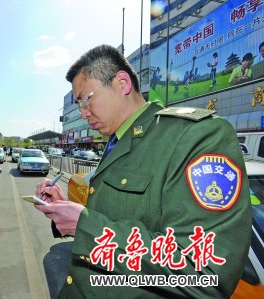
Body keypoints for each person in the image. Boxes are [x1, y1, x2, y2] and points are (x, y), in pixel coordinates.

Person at [34, 45, 251, 298]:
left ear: (122, 83)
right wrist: (65, 211)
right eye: (79, 105)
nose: (83, 113)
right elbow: (116, 213)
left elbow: (205, 273)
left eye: (86, 99)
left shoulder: (194, 136)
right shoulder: (118, 139)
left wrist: (85, 227)